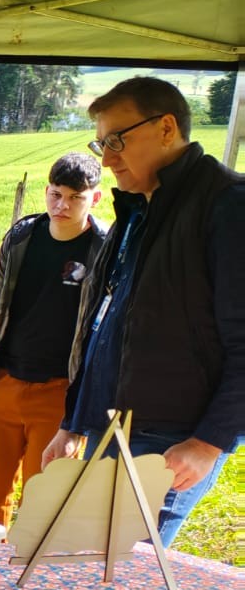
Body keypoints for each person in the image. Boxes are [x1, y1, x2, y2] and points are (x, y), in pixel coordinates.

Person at [41, 76, 243, 544]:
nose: (107, 159)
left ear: (167, 127)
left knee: (117, 576)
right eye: (101, 143)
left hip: (174, 440)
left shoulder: (229, 206)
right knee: (86, 566)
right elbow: (108, 325)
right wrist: (75, 422)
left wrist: (207, 444)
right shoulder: (137, 210)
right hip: (113, 428)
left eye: (117, 140)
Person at [0, 154, 108, 526]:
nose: (62, 206)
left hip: (59, 393)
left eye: (75, 198)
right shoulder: (20, 238)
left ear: (94, 199)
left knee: (46, 500)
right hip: (1, 382)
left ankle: (31, 576)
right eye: (55, 194)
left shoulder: (106, 250)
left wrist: (82, 405)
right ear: (46, 191)